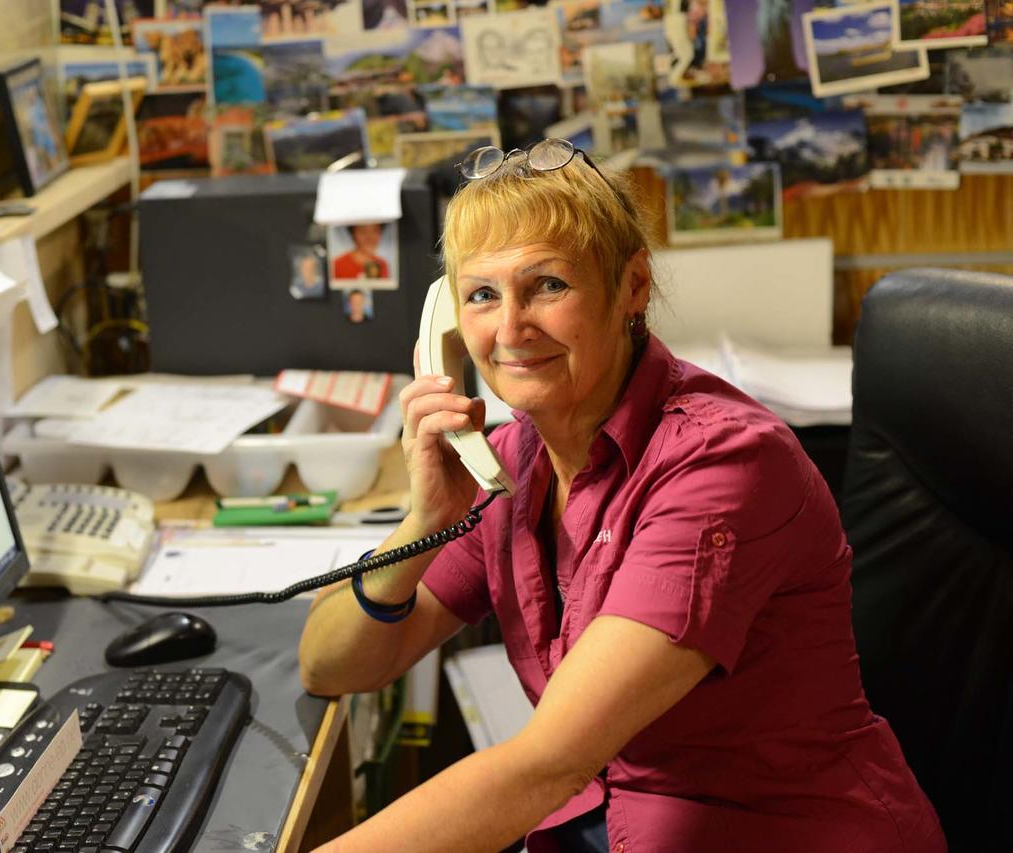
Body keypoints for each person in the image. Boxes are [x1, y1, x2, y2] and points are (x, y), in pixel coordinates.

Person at [297, 139, 944, 852]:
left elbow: (547, 764)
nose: (509, 328)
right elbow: (335, 666)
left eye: (547, 285)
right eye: (481, 294)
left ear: (632, 286)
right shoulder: (512, 464)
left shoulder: (722, 466)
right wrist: (422, 522)